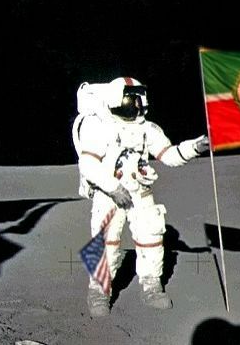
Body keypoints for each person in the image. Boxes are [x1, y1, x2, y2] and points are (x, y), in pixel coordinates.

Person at [72, 77, 209, 317]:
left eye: (138, 99)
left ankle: (151, 286)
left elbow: (168, 155)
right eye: (131, 98)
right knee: (105, 243)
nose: (136, 103)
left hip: (139, 191)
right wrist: (113, 188)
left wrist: (194, 148)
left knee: (151, 236)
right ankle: (99, 291)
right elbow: (88, 164)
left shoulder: (147, 129)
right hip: (109, 193)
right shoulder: (100, 126)